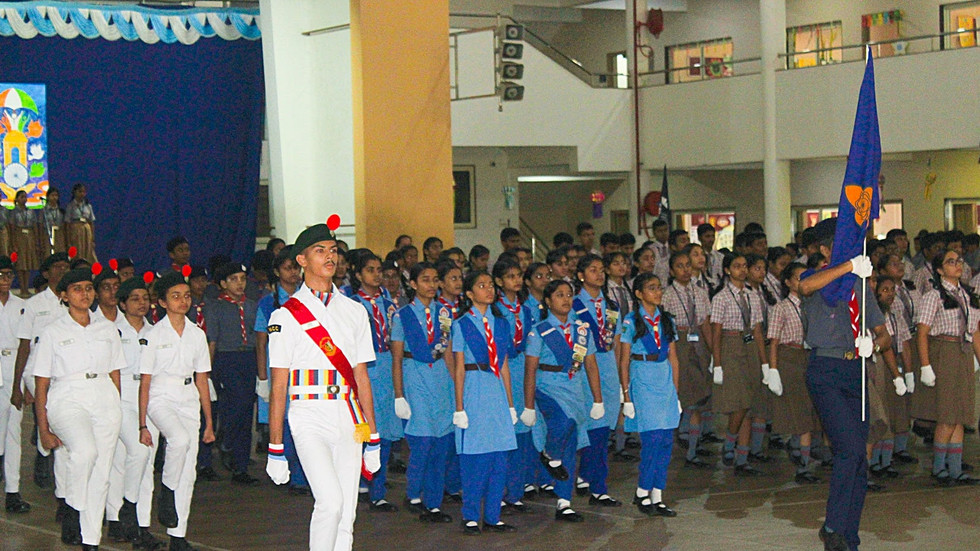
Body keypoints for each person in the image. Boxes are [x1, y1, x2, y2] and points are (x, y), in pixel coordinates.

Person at [264, 221, 381, 551]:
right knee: (329, 502)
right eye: (320, 251)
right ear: (301, 260)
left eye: (333, 251)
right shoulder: (284, 316)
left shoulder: (355, 311)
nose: (330, 257)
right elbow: (279, 386)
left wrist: (372, 435)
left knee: (347, 513)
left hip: (348, 414)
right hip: (308, 413)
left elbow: (361, 377)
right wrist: (275, 447)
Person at [798, 218, 889, 551]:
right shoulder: (815, 278)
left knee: (859, 458)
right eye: (843, 243)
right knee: (849, 449)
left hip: (856, 370)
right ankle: (833, 527)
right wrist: (849, 266)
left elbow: (884, 334)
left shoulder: (860, 283)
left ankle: (848, 535)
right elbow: (805, 288)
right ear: (825, 249)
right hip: (825, 369)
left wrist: (874, 345)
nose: (852, 248)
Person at [34, 266, 125, 550]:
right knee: (85, 452)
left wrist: (116, 407)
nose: (84, 294)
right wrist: (43, 428)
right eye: (77, 289)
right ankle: (72, 505)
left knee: (101, 474)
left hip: (104, 396)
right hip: (67, 397)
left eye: (88, 288)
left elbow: (115, 373)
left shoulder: (107, 328)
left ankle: (90, 541)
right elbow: (41, 384)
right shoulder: (52, 331)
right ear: (64, 295)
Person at [139, 270, 215, 551]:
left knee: (189, 469)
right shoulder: (153, 334)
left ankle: (178, 535)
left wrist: (208, 421)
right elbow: (145, 381)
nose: (183, 301)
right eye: (175, 296)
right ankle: (167, 492)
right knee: (178, 440)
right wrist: (141, 423)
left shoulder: (196, 334)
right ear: (161, 302)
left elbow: (202, 378)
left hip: (188, 397)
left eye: (186, 296)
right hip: (160, 396)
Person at [520, 279, 605, 522]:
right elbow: (530, 370)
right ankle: (548, 453)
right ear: (548, 301)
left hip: (574, 387)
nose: (566, 299)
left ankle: (564, 502)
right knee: (563, 422)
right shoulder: (540, 331)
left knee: (571, 442)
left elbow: (590, 365)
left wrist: (598, 400)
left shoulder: (581, 330)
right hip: (547, 387)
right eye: (559, 295)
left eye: (569, 294)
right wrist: (528, 405)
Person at [451, 271, 518, 534]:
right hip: (473, 387)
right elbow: (458, 367)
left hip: (496, 391)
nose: (488, 290)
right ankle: (470, 515)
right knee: (474, 457)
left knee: (499, 456)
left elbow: (503, 366)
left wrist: (511, 404)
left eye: (490, 285)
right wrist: (459, 407)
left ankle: (493, 515)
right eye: (481, 286)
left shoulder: (500, 324)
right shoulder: (462, 324)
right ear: (469, 294)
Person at [391, 262, 455, 523]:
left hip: (441, 378)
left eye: (435, 279)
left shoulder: (445, 313)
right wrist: (398, 395)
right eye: (425, 280)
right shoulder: (402, 315)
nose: (431, 284)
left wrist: (456, 390)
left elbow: (448, 353)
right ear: (414, 284)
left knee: (441, 443)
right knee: (423, 441)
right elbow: (396, 357)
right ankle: (413, 493)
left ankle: (434, 502)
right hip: (415, 374)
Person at [105, 276, 163, 550]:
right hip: (122, 397)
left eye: (145, 298)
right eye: (135, 299)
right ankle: (118, 515)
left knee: (146, 462)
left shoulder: (156, 332)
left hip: (150, 398)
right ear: (123, 303)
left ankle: (140, 524)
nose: (142, 303)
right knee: (127, 456)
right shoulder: (111, 331)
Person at [915, 248, 980, 486]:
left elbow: (975, 331)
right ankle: (939, 467)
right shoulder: (934, 296)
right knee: (947, 415)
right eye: (951, 262)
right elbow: (922, 332)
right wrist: (925, 366)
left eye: (959, 261)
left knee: (961, 414)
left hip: (963, 352)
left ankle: (955, 468)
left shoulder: (967, 294)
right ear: (940, 270)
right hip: (944, 351)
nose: (958, 265)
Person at [619, 272, 681, 516]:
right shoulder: (631, 321)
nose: (657, 292)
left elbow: (674, 358)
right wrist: (627, 397)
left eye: (659, 287)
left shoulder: (666, 320)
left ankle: (658, 493)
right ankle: (642, 490)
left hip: (663, 377)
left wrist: (675, 393)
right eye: (651, 288)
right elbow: (624, 360)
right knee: (652, 439)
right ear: (639, 293)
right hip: (642, 376)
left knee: (666, 440)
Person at [11, 251, 69, 496]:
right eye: (57, 267)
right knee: (53, 414)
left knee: (60, 418)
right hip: (36, 370)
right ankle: (45, 460)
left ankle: (52, 466)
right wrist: (18, 385)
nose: (62, 271)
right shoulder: (33, 305)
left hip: (65, 372)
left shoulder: (74, 302)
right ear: (46, 273)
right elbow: (24, 346)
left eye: (66, 267)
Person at [349, 252, 402, 511]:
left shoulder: (389, 302)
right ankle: (362, 481)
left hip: (386, 365)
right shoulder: (351, 304)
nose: (377, 274)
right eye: (370, 270)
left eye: (379, 269)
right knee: (363, 429)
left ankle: (375, 485)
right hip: (363, 369)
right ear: (358, 275)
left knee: (387, 429)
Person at [255, 248, 308, 494]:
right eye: (288, 268)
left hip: (303, 366)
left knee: (302, 421)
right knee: (284, 420)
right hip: (278, 368)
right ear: (277, 272)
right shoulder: (268, 302)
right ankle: (286, 472)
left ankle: (302, 475)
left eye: (296, 268)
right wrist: (262, 378)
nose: (294, 273)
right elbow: (261, 341)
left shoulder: (307, 297)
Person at [709, 252, 767, 476]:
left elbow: (758, 331)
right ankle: (730, 441)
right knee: (739, 402)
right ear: (726, 270)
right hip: (730, 345)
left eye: (744, 266)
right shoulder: (721, 297)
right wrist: (718, 362)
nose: (742, 270)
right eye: (736, 266)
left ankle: (742, 458)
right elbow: (716, 332)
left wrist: (765, 364)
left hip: (749, 344)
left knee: (749, 403)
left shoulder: (753, 296)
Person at [572, 254, 622, 505]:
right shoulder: (572, 305)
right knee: (592, 429)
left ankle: (589, 477)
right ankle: (596, 484)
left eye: (602, 269)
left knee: (603, 430)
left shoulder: (611, 307)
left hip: (609, 371)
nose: (599, 274)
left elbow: (619, 344)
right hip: (583, 372)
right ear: (581, 275)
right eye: (593, 270)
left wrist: (624, 381)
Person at [766, 262, 821, 484]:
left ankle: (802, 454)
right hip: (790, 357)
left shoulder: (813, 305)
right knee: (799, 410)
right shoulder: (781, 307)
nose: (803, 281)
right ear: (788, 282)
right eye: (798, 277)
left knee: (809, 409)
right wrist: (773, 369)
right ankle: (803, 465)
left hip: (809, 356)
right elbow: (774, 340)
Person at [205, 263, 259, 484]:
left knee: (246, 410)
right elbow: (212, 341)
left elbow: (262, 337)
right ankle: (227, 440)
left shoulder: (253, 306)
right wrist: (206, 374)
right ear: (223, 284)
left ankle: (241, 465)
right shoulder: (215, 307)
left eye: (243, 279)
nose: (239, 283)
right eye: (234, 279)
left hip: (250, 358)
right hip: (226, 359)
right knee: (238, 403)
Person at [661, 251, 713, 468]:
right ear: (672, 271)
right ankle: (683, 441)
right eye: (680, 266)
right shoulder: (667, 295)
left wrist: (713, 353)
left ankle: (693, 445)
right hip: (678, 341)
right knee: (685, 396)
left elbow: (705, 322)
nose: (685, 270)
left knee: (700, 396)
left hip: (698, 342)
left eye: (688, 266)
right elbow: (664, 327)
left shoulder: (700, 292)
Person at [492, 259, 534, 513]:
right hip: (502, 371)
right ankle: (499, 491)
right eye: (510, 276)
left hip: (523, 371)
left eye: (519, 275)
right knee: (504, 433)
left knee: (522, 433)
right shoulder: (495, 310)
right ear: (499, 281)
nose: (516, 280)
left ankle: (516, 491)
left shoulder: (527, 309)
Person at [0, 255, 29, 514]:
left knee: (13, 434)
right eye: (1, 275)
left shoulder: (21, 306)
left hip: (13, 370)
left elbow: (24, 345)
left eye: (9, 275)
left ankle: (13, 491)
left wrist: (20, 384)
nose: (5, 280)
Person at [9, 190, 41, 296]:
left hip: (29, 237)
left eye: (25, 197)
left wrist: (36, 241)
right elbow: (12, 228)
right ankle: (22, 288)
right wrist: (13, 244)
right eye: (22, 197)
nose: (24, 199)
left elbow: (35, 226)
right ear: (17, 199)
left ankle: (26, 288)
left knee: (28, 263)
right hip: (19, 236)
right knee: (21, 264)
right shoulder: (13, 212)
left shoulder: (30, 211)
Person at [65, 184, 97, 263]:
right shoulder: (70, 206)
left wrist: (92, 238)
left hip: (86, 230)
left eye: (84, 192)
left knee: (88, 251)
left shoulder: (88, 206)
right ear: (74, 192)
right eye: (80, 191)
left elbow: (91, 222)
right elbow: (67, 223)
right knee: (78, 250)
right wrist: (68, 240)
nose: (82, 194)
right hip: (75, 230)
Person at [42, 186, 65, 256]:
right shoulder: (44, 211)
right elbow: (40, 225)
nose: (54, 197)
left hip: (59, 234)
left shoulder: (61, 211)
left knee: (59, 253)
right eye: (52, 195)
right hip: (48, 234)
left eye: (56, 195)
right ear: (48, 197)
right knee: (48, 253)